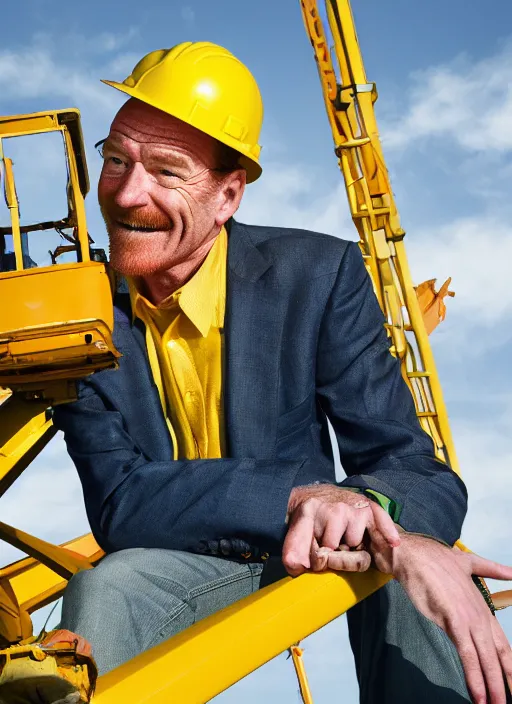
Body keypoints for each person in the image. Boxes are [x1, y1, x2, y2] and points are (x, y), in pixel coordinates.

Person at [2, 42, 511, 704]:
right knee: (108, 586)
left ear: (228, 196)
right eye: (115, 159)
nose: (127, 194)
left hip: (322, 549)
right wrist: (301, 498)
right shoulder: (77, 313)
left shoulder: (319, 275)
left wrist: (378, 518)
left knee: (428, 565)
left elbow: (413, 468)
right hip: (177, 554)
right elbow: (120, 502)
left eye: (165, 171)